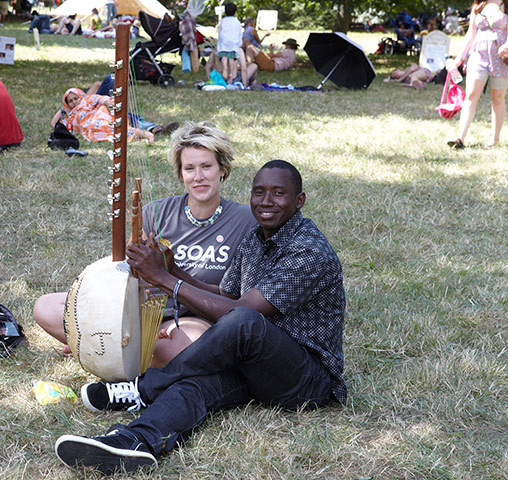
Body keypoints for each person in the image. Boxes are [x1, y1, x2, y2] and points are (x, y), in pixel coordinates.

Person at [55, 160, 346, 474]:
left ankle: (142, 389)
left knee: (242, 322)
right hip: (256, 366)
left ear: (298, 201)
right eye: (259, 192)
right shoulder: (255, 238)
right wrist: (172, 271)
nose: (266, 201)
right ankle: (134, 442)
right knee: (194, 385)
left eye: (278, 193)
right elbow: (228, 296)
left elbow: (241, 313)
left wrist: (165, 281)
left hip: (305, 380)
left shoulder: (308, 250)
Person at [33, 122, 256, 366]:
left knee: (190, 345)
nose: (198, 177)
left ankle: (100, 348)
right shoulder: (154, 212)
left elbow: (237, 296)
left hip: (189, 319)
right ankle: (118, 349)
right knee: (46, 307)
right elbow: (126, 275)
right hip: (136, 313)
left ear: (222, 169)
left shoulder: (246, 220)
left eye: (206, 166)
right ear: (180, 174)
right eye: (189, 168)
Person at [448, 0, 508, 149]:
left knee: (498, 98)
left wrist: (507, 45)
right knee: (470, 96)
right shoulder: (479, 5)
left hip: (501, 59)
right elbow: (471, 33)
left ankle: (494, 140)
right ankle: (460, 138)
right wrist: (460, 58)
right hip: (478, 56)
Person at [59, 88, 176, 143]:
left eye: (76, 98)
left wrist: (107, 104)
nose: (74, 102)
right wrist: (64, 109)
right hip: (92, 126)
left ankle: (152, 130)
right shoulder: (71, 115)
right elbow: (56, 123)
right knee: (118, 128)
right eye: (71, 101)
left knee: (119, 121)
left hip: (104, 116)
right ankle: (153, 130)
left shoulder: (87, 100)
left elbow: (100, 98)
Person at [216, 3, 242, 84]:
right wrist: (239, 43)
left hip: (224, 40)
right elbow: (239, 34)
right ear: (235, 12)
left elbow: (220, 32)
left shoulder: (223, 21)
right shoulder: (237, 22)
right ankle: (231, 73)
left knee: (224, 55)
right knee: (231, 57)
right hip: (233, 41)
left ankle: (225, 69)